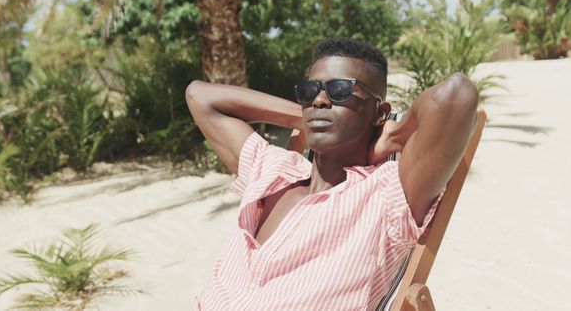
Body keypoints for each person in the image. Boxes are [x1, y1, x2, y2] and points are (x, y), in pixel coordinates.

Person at [185, 38, 478, 310]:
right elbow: (200, 96)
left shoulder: (386, 197)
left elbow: (456, 95)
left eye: (340, 91)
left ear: (379, 113)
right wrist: (308, 116)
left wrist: (393, 134)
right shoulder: (274, 170)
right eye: (310, 92)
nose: (319, 101)